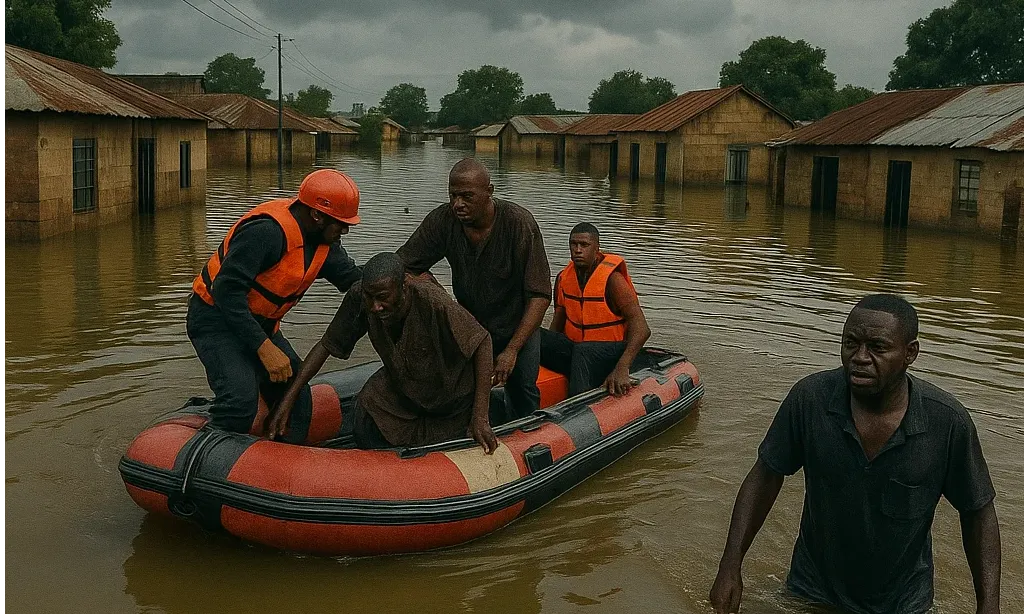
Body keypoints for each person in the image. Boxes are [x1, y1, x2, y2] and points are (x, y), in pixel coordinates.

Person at [710, 294, 1001, 614]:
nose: (860, 357)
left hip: (904, 603)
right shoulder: (810, 401)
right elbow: (765, 476)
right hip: (811, 592)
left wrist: (988, 606)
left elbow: (978, 513)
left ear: (910, 353)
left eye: (877, 347)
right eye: (851, 343)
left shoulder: (946, 423)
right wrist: (730, 565)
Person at [187, 169, 362, 444]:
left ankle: (281, 461)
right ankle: (209, 460)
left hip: (261, 325)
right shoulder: (266, 232)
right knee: (239, 403)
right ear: (317, 215)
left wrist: (404, 275)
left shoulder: (325, 245)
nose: (345, 229)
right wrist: (265, 348)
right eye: (341, 223)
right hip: (215, 320)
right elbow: (227, 291)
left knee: (298, 398)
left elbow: (354, 281)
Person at [266, 253, 498, 452]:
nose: (375, 306)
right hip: (406, 386)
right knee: (366, 404)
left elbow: (482, 341)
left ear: (404, 287)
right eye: (370, 297)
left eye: (383, 298)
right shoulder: (360, 297)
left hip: (451, 391)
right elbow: (327, 345)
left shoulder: (432, 301)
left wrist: (480, 416)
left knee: (453, 433)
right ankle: (377, 467)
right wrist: (288, 399)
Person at [396, 158, 551, 420]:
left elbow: (539, 295)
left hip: (517, 326)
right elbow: (404, 265)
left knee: (523, 389)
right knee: (462, 388)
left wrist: (512, 349)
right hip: (472, 326)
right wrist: (436, 293)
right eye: (453, 195)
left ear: (489, 192)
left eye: (467, 196)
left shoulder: (519, 224)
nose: (458, 204)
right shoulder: (443, 221)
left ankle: (527, 438)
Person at [540, 223, 650, 397]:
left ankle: (578, 404)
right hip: (577, 350)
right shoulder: (563, 278)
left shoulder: (613, 281)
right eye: (573, 244)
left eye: (584, 245)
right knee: (535, 335)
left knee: (583, 351)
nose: (577, 250)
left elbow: (642, 329)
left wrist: (622, 368)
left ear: (597, 248)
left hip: (610, 352)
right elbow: (558, 323)